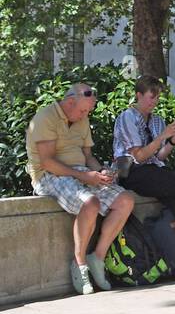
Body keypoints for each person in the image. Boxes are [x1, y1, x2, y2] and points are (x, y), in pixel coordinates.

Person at [26, 81, 135, 294]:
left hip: (80, 171)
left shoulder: (82, 119)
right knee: (90, 202)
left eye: (88, 110)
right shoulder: (45, 118)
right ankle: (80, 264)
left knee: (125, 200)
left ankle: (98, 258)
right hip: (50, 175)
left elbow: (87, 157)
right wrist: (85, 175)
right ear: (69, 102)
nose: (86, 114)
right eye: (83, 110)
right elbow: (47, 162)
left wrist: (101, 173)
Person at [113, 77, 175, 258]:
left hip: (152, 170)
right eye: (150, 97)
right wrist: (163, 136)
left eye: (157, 98)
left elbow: (159, 157)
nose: (154, 102)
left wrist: (171, 141)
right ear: (138, 95)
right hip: (132, 172)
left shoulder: (157, 120)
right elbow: (139, 156)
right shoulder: (127, 117)